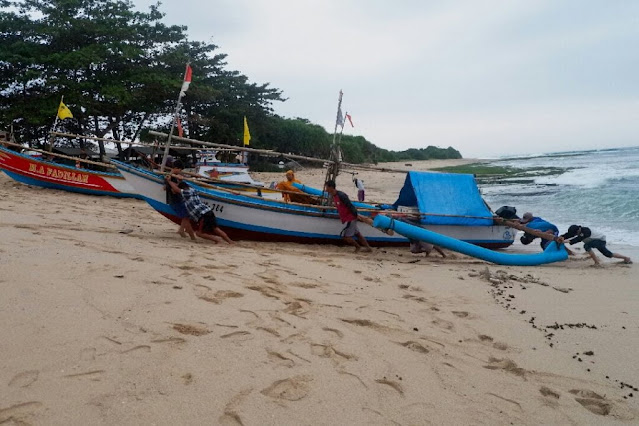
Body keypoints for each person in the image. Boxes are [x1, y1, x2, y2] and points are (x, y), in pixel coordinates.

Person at [165, 177, 234, 245]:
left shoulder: (186, 193)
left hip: (203, 215)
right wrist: (179, 180)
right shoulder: (193, 190)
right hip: (208, 211)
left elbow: (176, 189)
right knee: (215, 228)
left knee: (199, 233)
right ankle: (230, 241)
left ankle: (217, 239)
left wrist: (169, 181)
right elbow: (179, 187)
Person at [324, 180, 372, 252]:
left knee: (346, 237)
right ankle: (368, 248)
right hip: (348, 218)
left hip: (350, 218)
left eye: (326, 187)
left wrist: (355, 215)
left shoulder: (341, 195)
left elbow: (350, 206)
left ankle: (358, 247)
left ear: (331, 187)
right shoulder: (334, 196)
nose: (325, 189)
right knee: (358, 234)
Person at [560, 225, 632, 266]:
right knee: (607, 254)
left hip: (600, 240)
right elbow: (568, 235)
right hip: (595, 241)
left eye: (575, 233)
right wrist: (560, 237)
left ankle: (597, 263)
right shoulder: (577, 231)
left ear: (578, 230)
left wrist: (564, 241)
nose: (575, 234)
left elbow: (578, 239)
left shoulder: (586, 231)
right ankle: (626, 258)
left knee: (587, 246)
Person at [165, 161, 196, 241]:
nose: (180, 171)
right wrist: (179, 182)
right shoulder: (171, 177)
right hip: (176, 200)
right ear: (176, 168)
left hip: (174, 200)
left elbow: (166, 187)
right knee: (186, 216)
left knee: (186, 216)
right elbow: (174, 190)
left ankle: (181, 230)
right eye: (180, 170)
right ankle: (190, 235)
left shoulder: (170, 176)